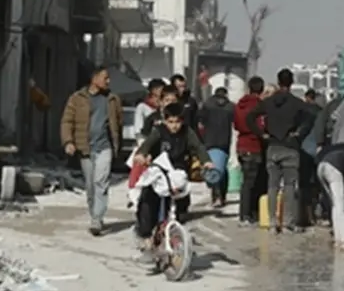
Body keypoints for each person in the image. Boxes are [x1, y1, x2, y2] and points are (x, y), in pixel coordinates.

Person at [129, 103, 208, 243]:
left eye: (177, 122)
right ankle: (145, 232)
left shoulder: (187, 132)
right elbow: (147, 144)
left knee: (179, 200)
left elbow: (198, 147)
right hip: (159, 171)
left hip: (177, 173)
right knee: (149, 202)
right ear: (165, 120)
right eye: (170, 122)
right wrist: (141, 154)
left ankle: (175, 227)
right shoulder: (159, 131)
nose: (174, 126)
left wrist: (206, 161)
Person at [248, 69, 315, 233]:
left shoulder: (268, 102)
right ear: (291, 83)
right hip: (290, 147)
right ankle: (288, 223)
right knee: (290, 186)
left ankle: (272, 223)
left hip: (272, 146)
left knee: (272, 186)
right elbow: (311, 117)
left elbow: (250, 117)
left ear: (278, 82)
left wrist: (262, 133)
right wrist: (299, 133)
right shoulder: (297, 103)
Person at [60, 67, 124, 235]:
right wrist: (68, 141)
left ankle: (97, 218)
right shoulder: (77, 99)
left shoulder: (112, 100)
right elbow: (67, 121)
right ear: (94, 79)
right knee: (90, 186)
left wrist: (118, 146)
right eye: (105, 77)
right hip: (85, 148)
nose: (108, 81)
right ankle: (94, 213)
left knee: (101, 182)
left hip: (105, 148)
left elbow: (119, 124)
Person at [234, 76, 268, 225]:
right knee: (253, 182)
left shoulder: (239, 105)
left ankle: (243, 213)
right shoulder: (260, 106)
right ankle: (249, 214)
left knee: (246, 182)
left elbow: (236, 125)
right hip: (254, 146)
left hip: (241, 145)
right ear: (261, 90)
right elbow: (262, 126)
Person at [201, 85, 235, 209]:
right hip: (224, 142)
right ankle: (222, 196)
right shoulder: (231, 107)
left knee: (213, 169)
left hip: (210, 141)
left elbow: (201, 121)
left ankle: (215, 196)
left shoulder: (207, 105)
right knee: (223, 169)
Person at [300, 90, 324, 226]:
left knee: (304, 184)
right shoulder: (321, 111)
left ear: (307, 98)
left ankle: (305, 214)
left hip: (304, 150)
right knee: (317, 184)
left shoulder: (302, 111)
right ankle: (316, 213)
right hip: (318, 150)